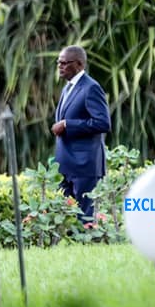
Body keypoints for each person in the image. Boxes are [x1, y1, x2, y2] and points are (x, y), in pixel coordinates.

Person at [50, 45, 111, 219]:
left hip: (84, 165)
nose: (60, 66)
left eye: (64, 63)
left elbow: (103, 123)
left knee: (85, 218)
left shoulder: (91, 88)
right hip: (66, 164)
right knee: (65, 217)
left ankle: (87, 243)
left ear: (79, 65)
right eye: (58, 63)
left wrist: (68, 124)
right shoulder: (67, 88)